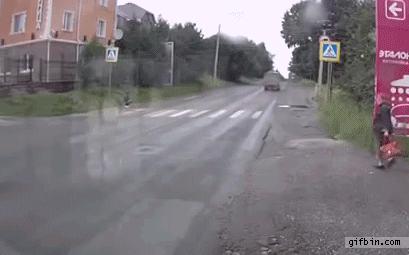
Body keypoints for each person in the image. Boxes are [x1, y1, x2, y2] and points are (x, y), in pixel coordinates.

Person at [373, 94, 394, 169]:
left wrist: (386, 130)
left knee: (380, 145)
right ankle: (386, 160)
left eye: (377, 99)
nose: (376, 100)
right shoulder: (384, 107)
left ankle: (384, 161)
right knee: (384, 145)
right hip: (382, 129)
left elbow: (385, 120)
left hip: (381, 129)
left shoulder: (383, 108)